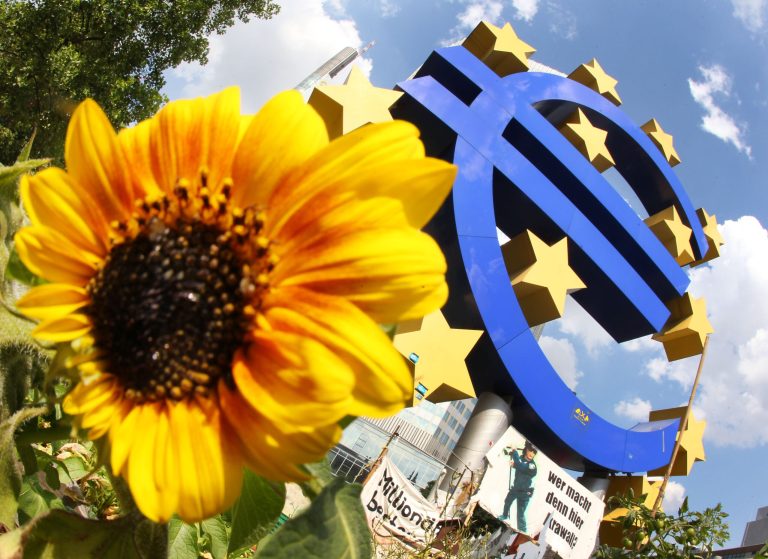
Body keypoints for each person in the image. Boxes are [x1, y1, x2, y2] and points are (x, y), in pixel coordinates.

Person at [499, 441, 537, 532]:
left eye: (534, 452)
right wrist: (514, 465)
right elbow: (520, 465)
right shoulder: (521, 458)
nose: (532, 453)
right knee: (507, 501)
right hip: (516, 488)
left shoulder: (532, 466)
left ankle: (523, 530)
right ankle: (504, 515)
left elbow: (522, 466)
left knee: (520, 513)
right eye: (530, 450)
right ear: (526, 450)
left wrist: (514, 450)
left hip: (525, 492)